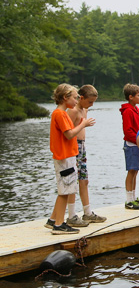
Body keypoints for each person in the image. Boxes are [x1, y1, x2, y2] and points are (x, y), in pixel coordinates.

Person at [45, 84, 96, 235]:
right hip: (64, 156)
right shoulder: (60, 114)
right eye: (74, 97)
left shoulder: (61, 113)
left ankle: (53, 220)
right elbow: (69, 134)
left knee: (65, 189)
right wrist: (83, 124)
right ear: (65, 98)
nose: (76, 100)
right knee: (65, 191)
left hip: (67, 155)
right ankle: (59, 225)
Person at [65, 85, 106, 226]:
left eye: (93, 102)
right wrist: (84, 125)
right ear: (81, 98)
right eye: (90, 102)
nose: (91, 105)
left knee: (84, 180)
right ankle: (71, 215)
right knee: (73, 182)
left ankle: (87, 213)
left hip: (82, 147)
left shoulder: (83, 108)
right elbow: (67, 133)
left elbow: (87, 101)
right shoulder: (73, 111)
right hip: (73, 147)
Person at [120, 83, 139, 210]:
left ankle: (134, 197)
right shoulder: (128, 111)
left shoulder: (136, 110)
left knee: (135, 170)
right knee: (131, 171)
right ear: (131, 97)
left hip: (137, 143)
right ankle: (129, 199)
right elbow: (128, 131)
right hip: (131, 144)